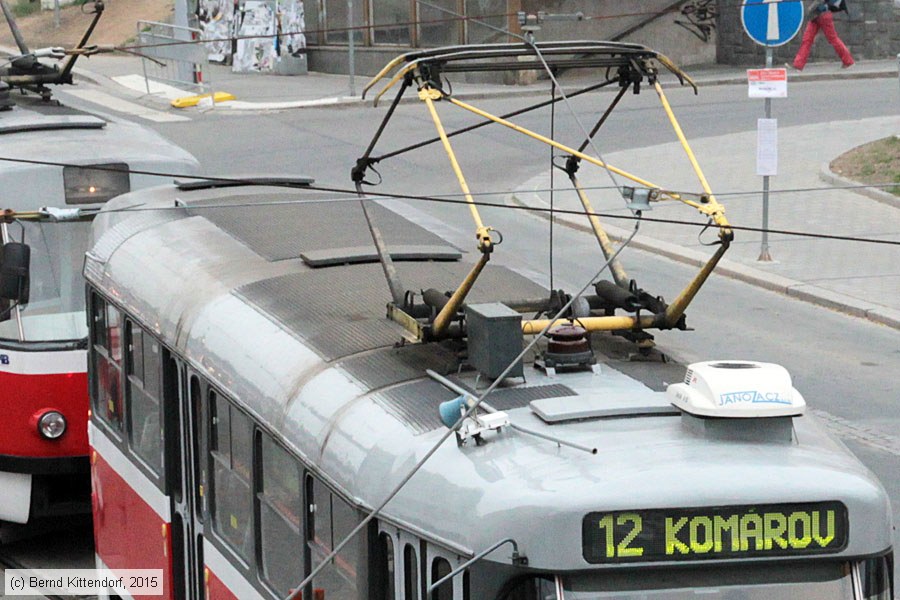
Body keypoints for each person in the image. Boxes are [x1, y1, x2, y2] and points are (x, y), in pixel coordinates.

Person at [792, 0, 854, 70]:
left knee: (809, 40)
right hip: (816, 15)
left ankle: (848, 61)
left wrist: (810, 8)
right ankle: (798, 65)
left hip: (821, 14)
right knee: (808, 40)